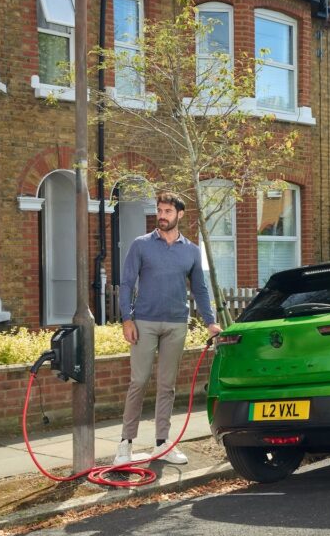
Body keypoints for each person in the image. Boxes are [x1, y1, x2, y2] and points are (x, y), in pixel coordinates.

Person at [113, 192, 221, 466]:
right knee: (138, 382)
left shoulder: (191, 251)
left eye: (167, 212)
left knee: (167, 386)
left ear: (179, 215)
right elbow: (126, 284)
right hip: (144, 323)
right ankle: (125, 444)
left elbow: (199, 288)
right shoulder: (141, 245)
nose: (161, 215)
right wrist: (127, 319)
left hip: (176, 324)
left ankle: (162, 444)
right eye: (159, 210)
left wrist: (210, 322)